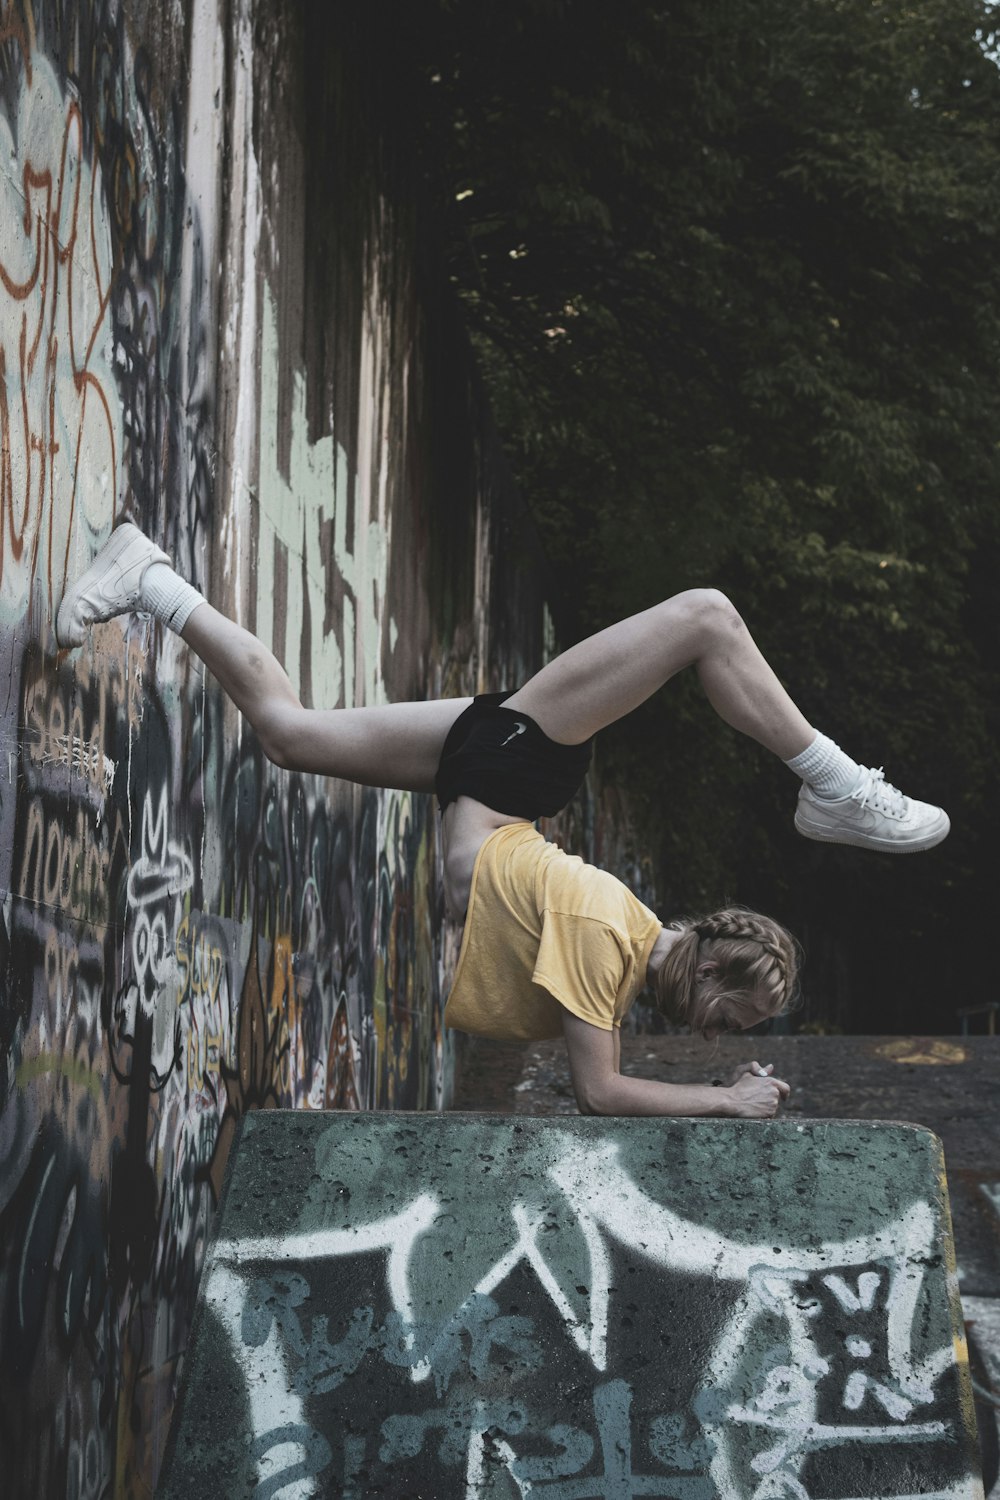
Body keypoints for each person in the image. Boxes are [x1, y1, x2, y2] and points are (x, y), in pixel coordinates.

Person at [56, 524, 949, 1120]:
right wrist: (726, 1100)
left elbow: (560, 911)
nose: (725, 1031)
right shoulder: (610, 945)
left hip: (495, 777)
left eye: (742, 1032)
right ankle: (833, 780)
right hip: (516, 765)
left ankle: (152, 578)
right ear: (710, 960)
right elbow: (599, 1091)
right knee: (707, 619)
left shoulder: (630, 936)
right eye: (735, 1010)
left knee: (290, 734)